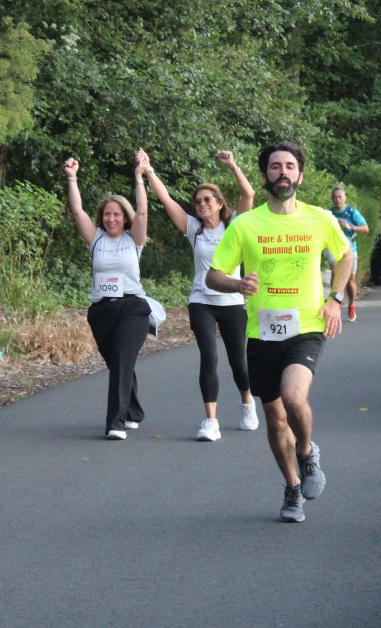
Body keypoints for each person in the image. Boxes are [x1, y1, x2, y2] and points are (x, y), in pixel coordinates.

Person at [206, 141, 352, 523]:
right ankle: (292, 487)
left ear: (300, 175)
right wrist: (237, 285)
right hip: (261, 332)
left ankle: (306, 451)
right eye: (275, 167)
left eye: (289, 166)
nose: (283, 172)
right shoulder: (245, 224)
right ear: (265, 176)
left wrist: (335, 298)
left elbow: (346, 255)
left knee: (293, 397)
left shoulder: (320, 219)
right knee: (274, 420)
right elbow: (214, 275)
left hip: (307, 327)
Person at [140, 148, 257, 442]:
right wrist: (149, 171)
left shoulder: (235, 225)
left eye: (207, 200)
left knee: (238, 361)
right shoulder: (193, 229)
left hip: (232, 301)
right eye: (198, 201)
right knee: (209, 356)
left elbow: (249, 195)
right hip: (201, 300)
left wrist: (233, 166)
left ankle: (247, 402)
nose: (202, 204)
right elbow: (167, 200)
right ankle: (211, 421)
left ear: (219, 204)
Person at [64, 154, 150, 441]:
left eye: (117, 215)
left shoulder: (133, 239)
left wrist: (139, 177)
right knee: (117, 363)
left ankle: (116, 423)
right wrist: (72, 176)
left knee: (122, 360)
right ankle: (134, 411)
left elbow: (142, 213)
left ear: (124, 218)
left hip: (133, 308)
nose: (111, 219)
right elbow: (77, 211)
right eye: (107, 214)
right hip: (102, 311)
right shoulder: (96, 239)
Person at [323, 186, 368, 321]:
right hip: (333, 246)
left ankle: (352, 304)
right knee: (335, 270)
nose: (337, 200)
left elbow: (366, 228)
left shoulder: (352, 212)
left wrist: (350, 227)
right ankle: (334, 303)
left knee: (350, 281)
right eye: (335, 197)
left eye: (340, 197)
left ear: (345, 198)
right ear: (332, 199)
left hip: (349, 247)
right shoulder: (329, 214)